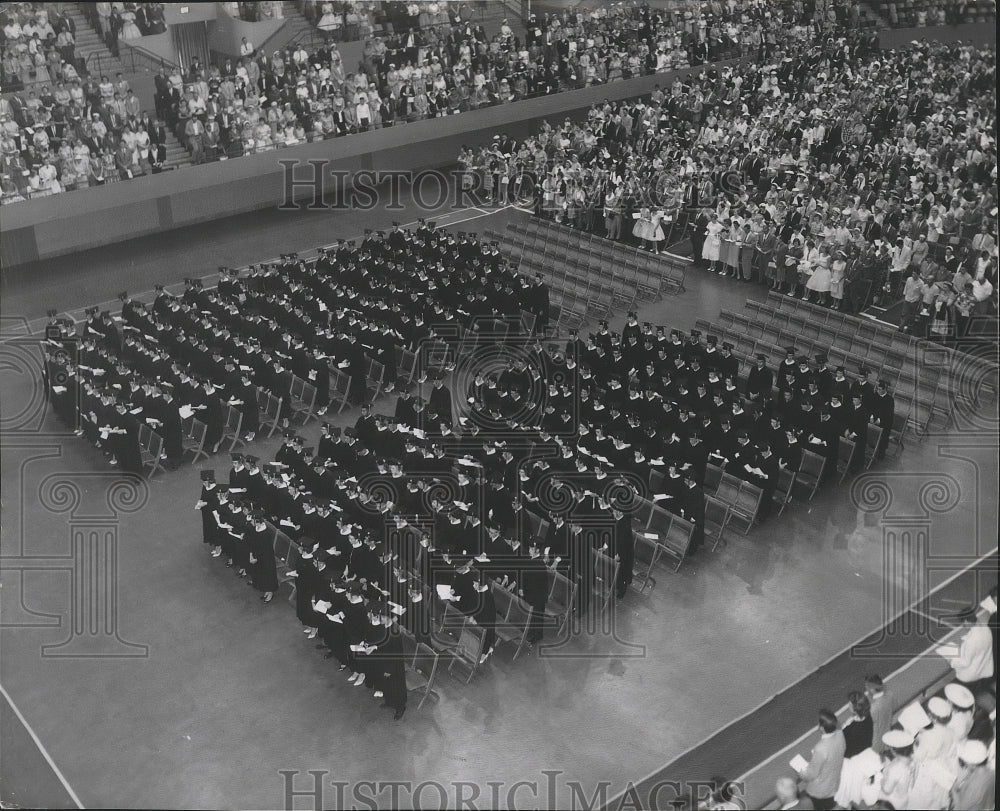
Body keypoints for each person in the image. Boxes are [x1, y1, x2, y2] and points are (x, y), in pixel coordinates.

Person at [796, 709, 846, 810]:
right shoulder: (840, 734)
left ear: (822, 728)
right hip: (833, 783)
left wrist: (800, 772)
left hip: (820, 791)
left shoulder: (821, 748)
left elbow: (811, 775)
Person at [950, 605, 994, 691]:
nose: (963, 625)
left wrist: (952, 662)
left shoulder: (972, 641)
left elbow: (965, 662)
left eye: (963, 623)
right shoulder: (986, 629)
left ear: (966, 621)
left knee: (952, 688)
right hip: (984, 671)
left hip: (971, 677)